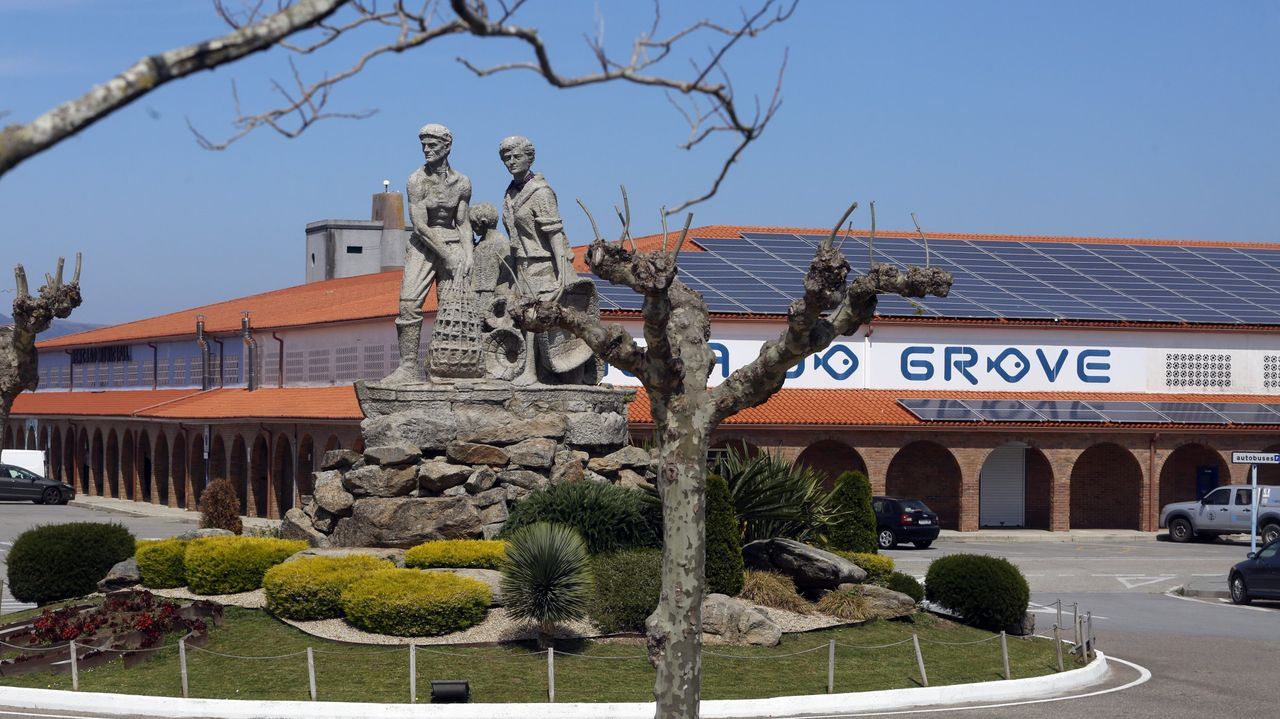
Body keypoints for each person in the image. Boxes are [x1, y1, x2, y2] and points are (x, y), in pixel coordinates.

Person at [382, 123, 473, 384]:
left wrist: (468, 255)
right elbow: (420, 226)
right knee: (409, 303)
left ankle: (448, 366)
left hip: (453, 243)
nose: (426, 150)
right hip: (425, 246)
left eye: (432, 145)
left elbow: (463, 222)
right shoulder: (416, 180)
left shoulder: (462, 182)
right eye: (423, 145)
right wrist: (447, 254)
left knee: (452, 307)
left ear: (447, 147)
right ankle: (408, 367)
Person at [499, 136, 576, 385]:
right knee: (521, 317)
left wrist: (562, 271)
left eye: (516, 156)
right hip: (521, 264)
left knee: (533, 317)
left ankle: (532, 371)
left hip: (542, 264)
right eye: (506, 157)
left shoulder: (541, 192)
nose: (511, 161)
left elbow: (554, 233)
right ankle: (527, 368)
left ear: (529, 158)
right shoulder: (511, 191)